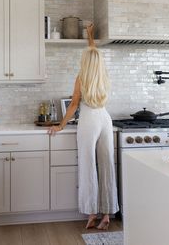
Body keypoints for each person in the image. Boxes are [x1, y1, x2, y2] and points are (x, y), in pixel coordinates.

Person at [48, 24, 119, 230]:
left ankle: (91, 213)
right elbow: (93, 54)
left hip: (88, 121)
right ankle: (107, 214)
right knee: (107, 166)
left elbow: (72, 105)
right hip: (105, 119)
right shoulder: (103, 76)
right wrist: (90, 36)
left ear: (85, 61)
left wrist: (61, 125)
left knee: (88, 166)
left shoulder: (82, 78)